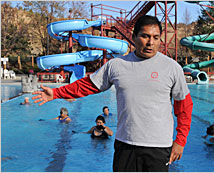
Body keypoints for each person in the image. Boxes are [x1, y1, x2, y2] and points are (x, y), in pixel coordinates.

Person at [32, 15, 193, 172]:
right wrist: (56, 93)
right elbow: (88, 85)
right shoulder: (117, 65)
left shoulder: (171, 68)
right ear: (134, 36)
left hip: (158, 147)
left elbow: (184, 107)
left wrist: (180, 141)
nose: (151, 42)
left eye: (156, 37)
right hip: (125, 144)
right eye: (145, 36)